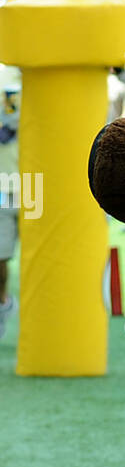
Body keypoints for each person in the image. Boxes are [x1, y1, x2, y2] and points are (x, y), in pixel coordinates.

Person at [0, 65, 20, 338]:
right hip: (3, 183)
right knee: (1, 254)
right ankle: (3, 302)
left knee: (43, 251)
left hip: (35, 181)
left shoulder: (19, 74)